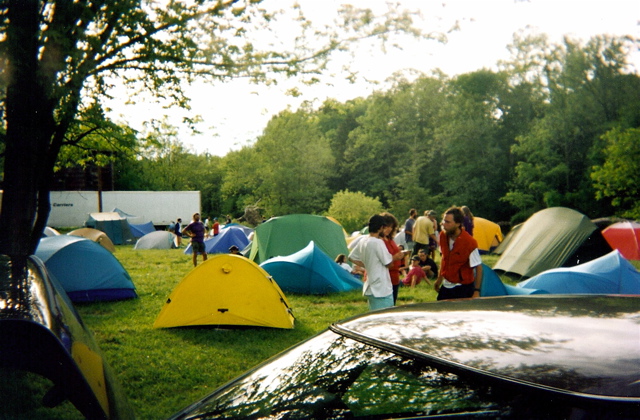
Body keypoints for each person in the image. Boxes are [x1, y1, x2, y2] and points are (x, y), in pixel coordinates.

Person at [349, 214, 403, 311]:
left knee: (373, 314)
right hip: (381, 287)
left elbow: (352, 257)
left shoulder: (363, 240)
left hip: (370, 285)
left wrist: (367, 265)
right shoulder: (378, 242)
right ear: (381, 228)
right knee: (385, 316)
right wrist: (395, 257)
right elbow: (388, 263)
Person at [434, 207, 483, 301]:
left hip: (463, 287)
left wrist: (476, 291)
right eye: (444, 221)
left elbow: (478, 267)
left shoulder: (469, 242)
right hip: (447, 284)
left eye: (448, 222)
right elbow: (444, 258)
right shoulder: (443, 235)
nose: (443, 224)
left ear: (458, 224)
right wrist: (439, 279)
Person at [381, 212, 410, 305]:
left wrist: (401, 255)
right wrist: (394, 257)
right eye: (386, 226)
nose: (389, 229)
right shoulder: (378, 241)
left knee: (392, 304)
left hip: (395, 275)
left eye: (391, 226)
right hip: (385, 276)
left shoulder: (390, 240)